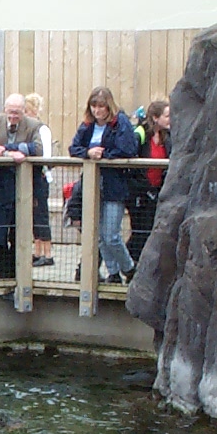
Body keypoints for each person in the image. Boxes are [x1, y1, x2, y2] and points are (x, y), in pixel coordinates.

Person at [69, 86, 141, 285]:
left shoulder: (121, 123)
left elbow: (127, 149)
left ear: (109, 106)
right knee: (99, 236)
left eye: (101, 106)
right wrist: (88, 153)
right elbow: (74, 147)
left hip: (114, 186)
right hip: (92, 186)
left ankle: (129, 268)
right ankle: (114, 273)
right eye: (94, 106)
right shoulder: (87, 125)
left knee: (111, 235)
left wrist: (103, 154)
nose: (97, 110)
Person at [0, 93, 45, 282]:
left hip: (21, 190)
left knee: (18, 237)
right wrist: (4, 153)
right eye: (10, 112)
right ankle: (2, 278)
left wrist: (11, 149)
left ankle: (17, 279)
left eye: (17, 112)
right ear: (5, 110)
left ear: (24, 111)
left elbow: (39, 149)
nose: (13, 116)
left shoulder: (34, 125)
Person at [129, 98, 170, 264]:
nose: (170, 119)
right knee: (141, 231)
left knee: (148, 230)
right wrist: (143, 187)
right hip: (140, 192)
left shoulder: (167, 137)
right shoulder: (141, 133)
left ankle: (132, 265)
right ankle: (128, 265)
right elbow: (132, 160)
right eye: (167, 116)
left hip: (156, 191)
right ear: (155, 117)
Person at [25, 93, 55, 268]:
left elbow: (46, 154)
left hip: (41, 177)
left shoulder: (42, 129)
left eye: (27, 111)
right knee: (33, 215)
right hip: (30, 177)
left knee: (41, 214)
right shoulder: (27, 129)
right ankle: (37, 252)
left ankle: (48, 253)